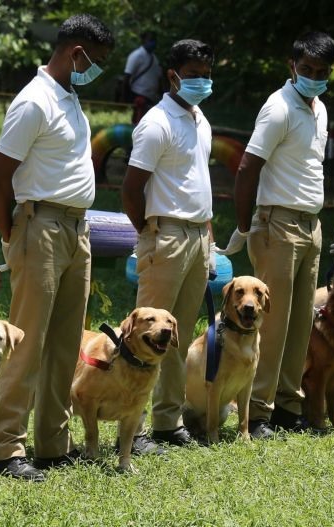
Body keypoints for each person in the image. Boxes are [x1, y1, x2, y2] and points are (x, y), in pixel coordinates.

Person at [0, 14, 114, 481]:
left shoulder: (69, 99)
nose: (96, 70)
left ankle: (52, 446)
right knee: (27, 339)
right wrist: (13, 236)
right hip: (39, 226)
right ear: (75, 53)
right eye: (95, 61)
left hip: (76, 230)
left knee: (64, 343)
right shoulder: (34, 101)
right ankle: (8, 449)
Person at [218, 31, 334, 438]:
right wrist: (244, 224)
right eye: (306, 69)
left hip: (310, 224)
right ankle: (258, 410)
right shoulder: (278, 108)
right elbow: (248, 166)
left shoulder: (319, 109)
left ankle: (288, 406)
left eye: (321, 72)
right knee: (272, 322)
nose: (313, 77)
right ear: (292, 66)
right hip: (278, 224)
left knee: (301, 322)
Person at [122, 39, 216, 452]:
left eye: (206, 74)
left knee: (174, 335)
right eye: (193, 74)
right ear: (173, 75)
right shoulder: (157, 122)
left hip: (198, 235)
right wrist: (150, 232)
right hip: (167, 235)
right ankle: (135, 429)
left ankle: (167, 421)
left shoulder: (200, 120)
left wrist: (208, 240)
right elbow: (131, 188)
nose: (201, 81)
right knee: (143, 336)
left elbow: (200, 185)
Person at [122, 31, 163, 124]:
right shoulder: (136, 55)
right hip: (139, 95)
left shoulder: (155, 59)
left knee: (148, 123)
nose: (152, 43)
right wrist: (124, 98)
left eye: (154, 40)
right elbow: (127, 77)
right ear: (143, 40)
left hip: (152, 98)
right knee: (138, 122)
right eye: (150, 40)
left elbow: (159, 79)